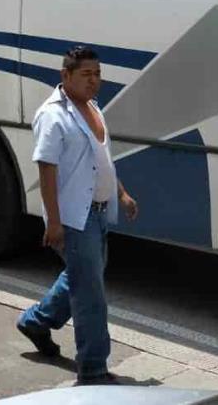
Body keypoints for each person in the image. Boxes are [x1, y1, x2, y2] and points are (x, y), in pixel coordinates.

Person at [16, 46, 138, 386]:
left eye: (98, 74)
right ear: (65, 75)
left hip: (98, 213)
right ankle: (93, 370)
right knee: (91, 295)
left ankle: (36, 321)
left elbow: (102, 161)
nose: (94, 81)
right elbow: (46, 170)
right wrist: (53, 222)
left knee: (82, 277)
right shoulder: (52, 115)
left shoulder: (94, 108)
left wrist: (122, 194)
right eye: (87, 75)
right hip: (73, 218)